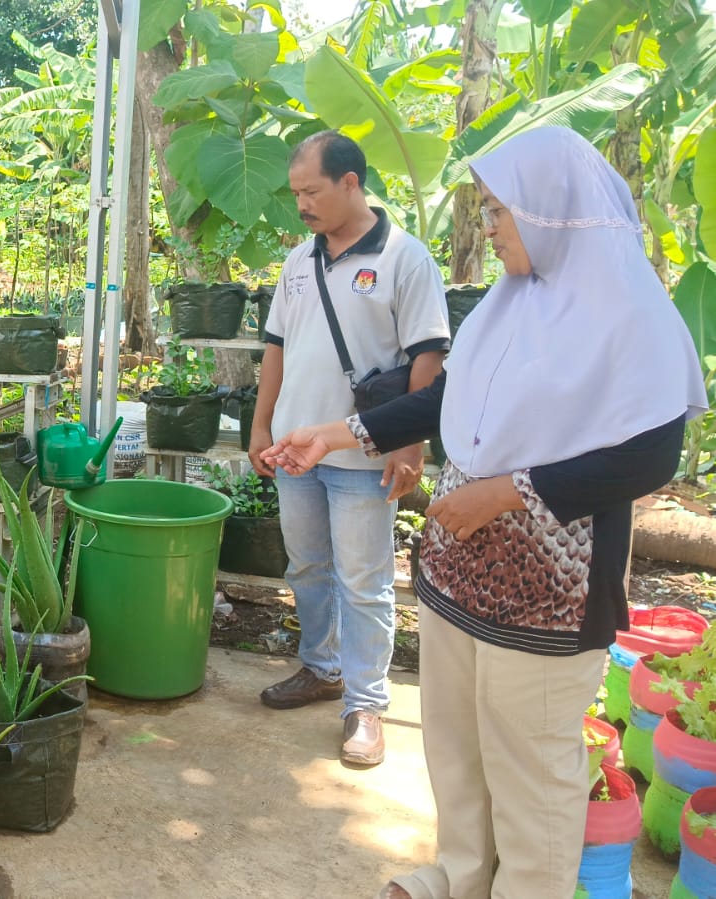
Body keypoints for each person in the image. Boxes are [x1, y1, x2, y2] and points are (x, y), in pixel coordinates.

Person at [263, 127, 706, 899]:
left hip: (548, 600)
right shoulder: (512, 303)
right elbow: (446, 398)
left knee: (531, 769)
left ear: (556, 213)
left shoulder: (631, 319)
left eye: (501, 211)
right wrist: (338, 433)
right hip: (459, 575)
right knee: (456, 747)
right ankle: (460, 875)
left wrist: (504, 494)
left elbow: (646, 459)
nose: (490, 227)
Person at [249, 130, 450, 767]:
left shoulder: (405, 259)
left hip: (365, 454)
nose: (301, 203)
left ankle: (365, 705)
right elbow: (276, 349)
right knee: (305, 567)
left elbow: (428, 359)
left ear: (350, 183)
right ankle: (321, 667)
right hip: (293, 451)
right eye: (295, 192)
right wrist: (261, 427)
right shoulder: (296, 262)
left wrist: (408, 445)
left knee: (363, 582)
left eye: (311, 190)